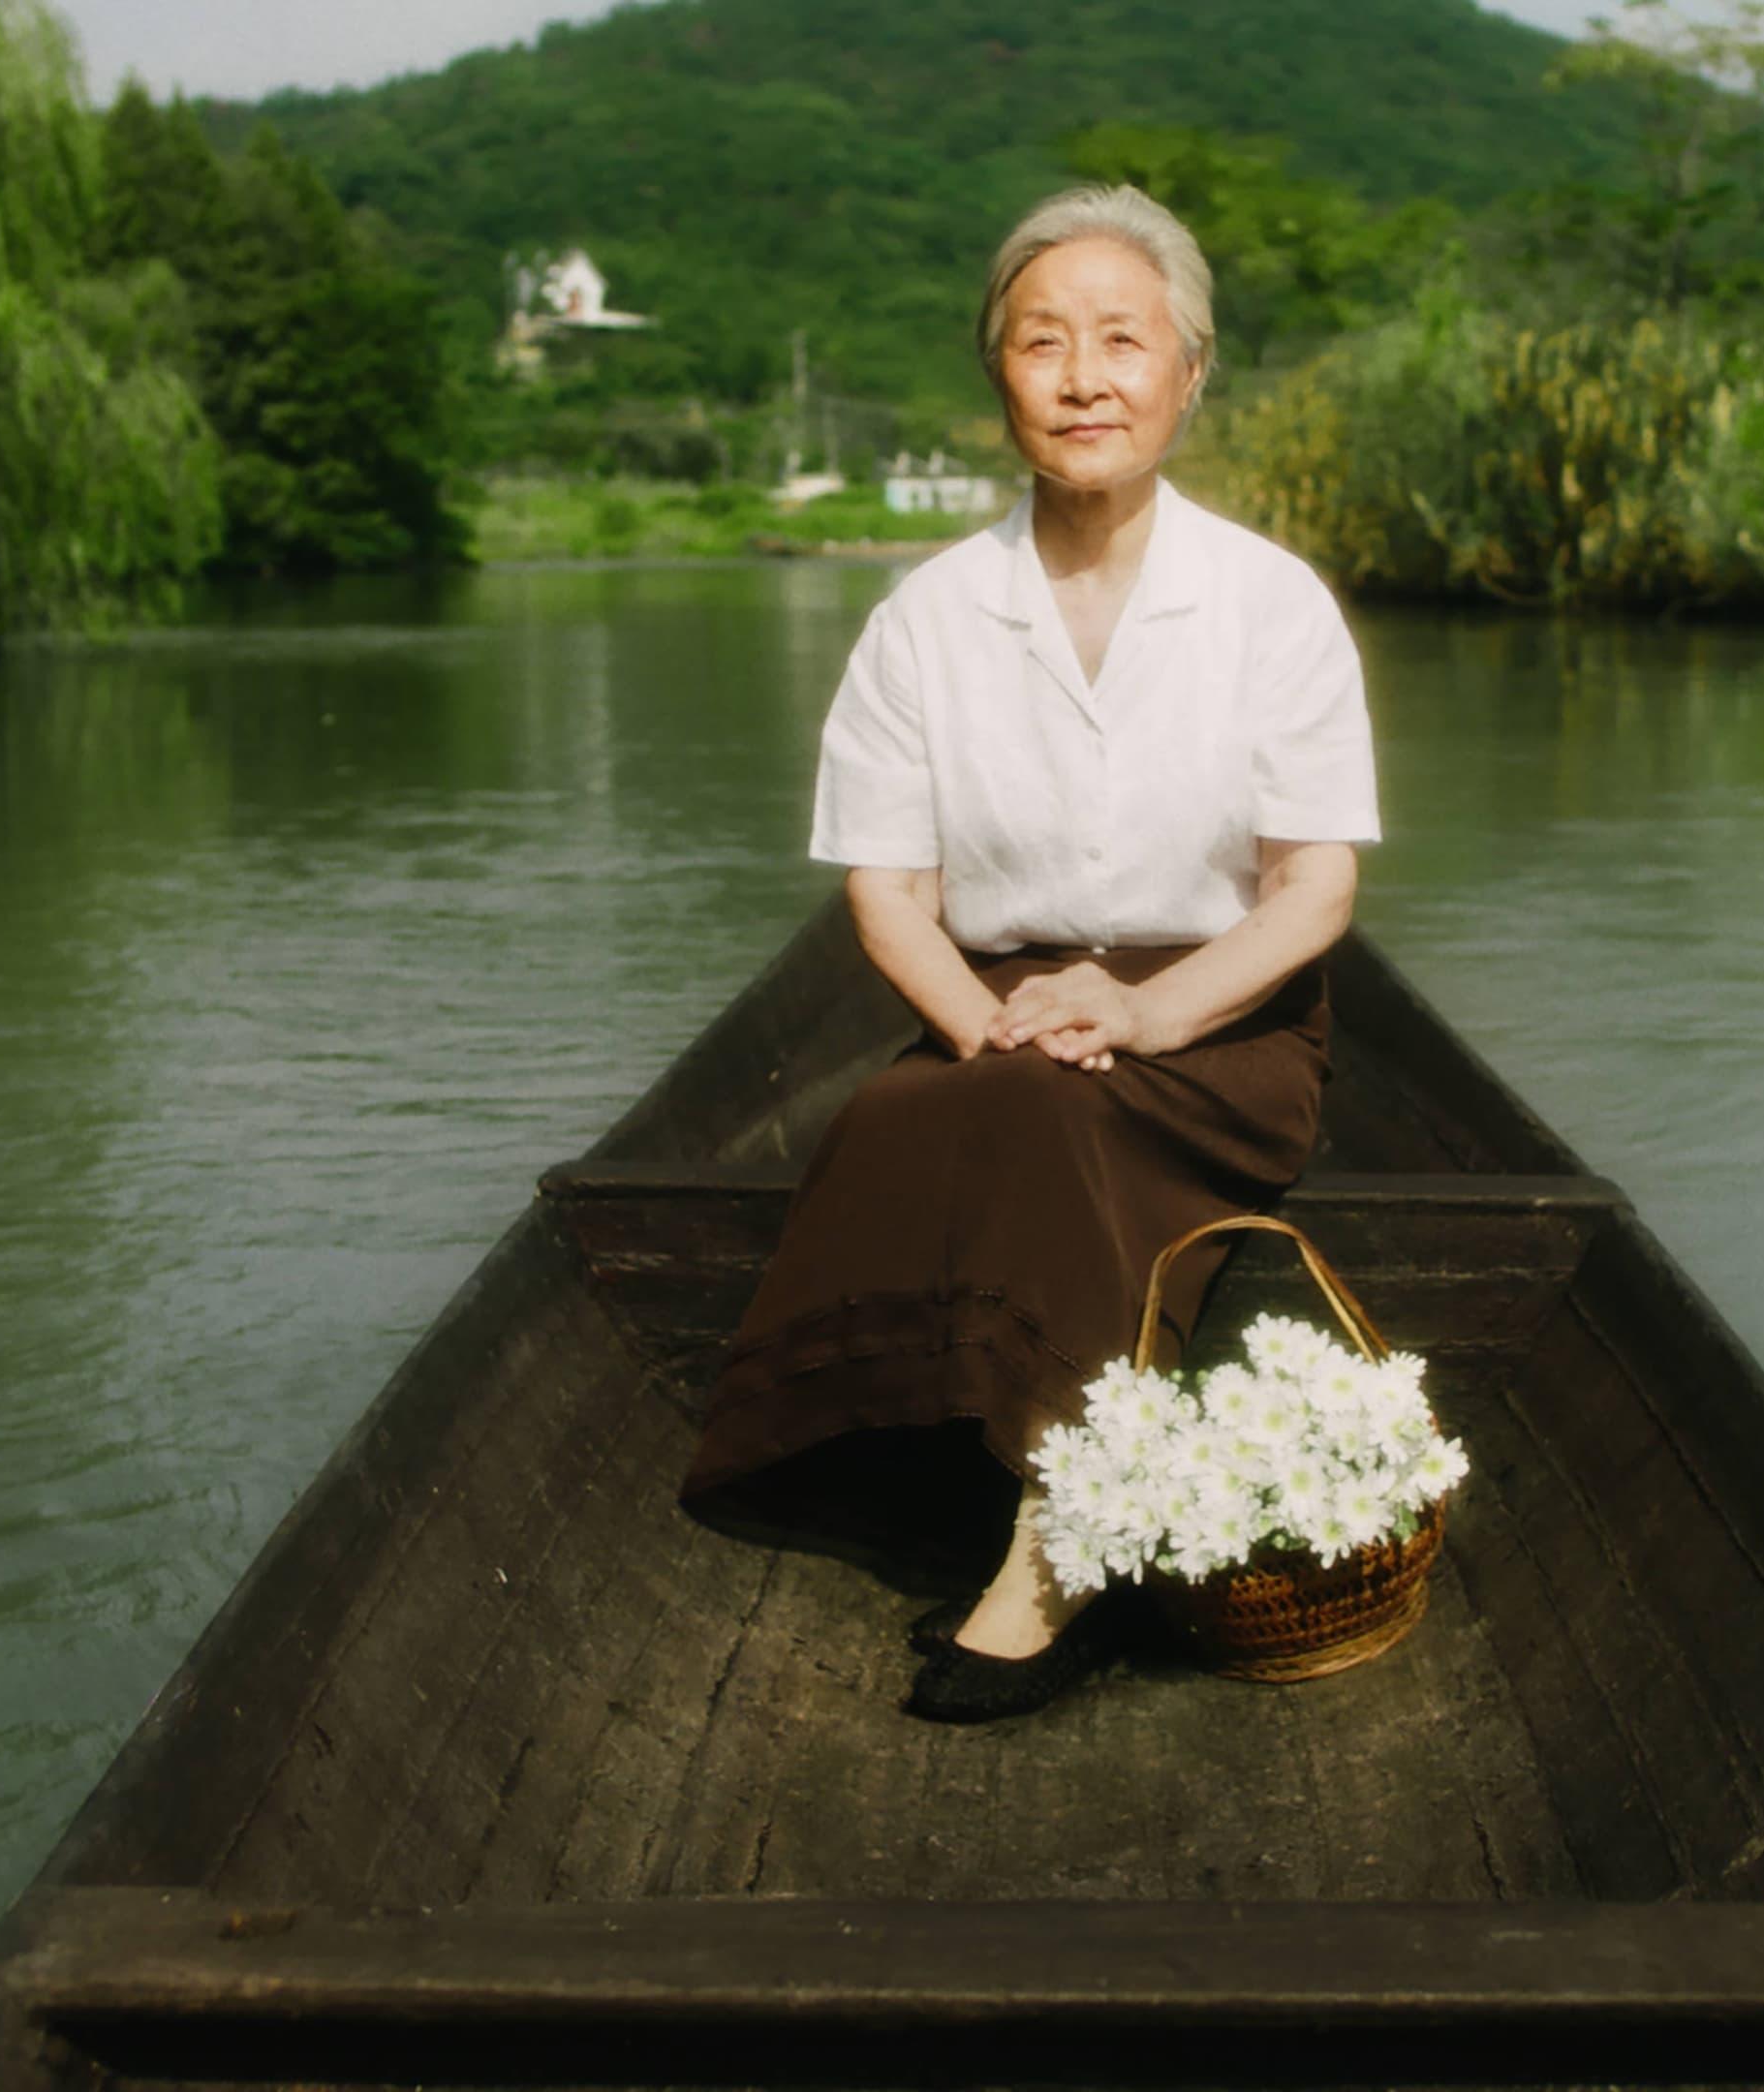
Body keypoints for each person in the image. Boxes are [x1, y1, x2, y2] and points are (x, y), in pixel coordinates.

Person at [673, 185, 1381, 1724]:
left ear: (1188, 376)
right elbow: (887, 895)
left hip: (1231, 1020)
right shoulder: (926, 621)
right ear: (997, 376)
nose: (1083, 377)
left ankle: (1061, 1541)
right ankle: (985, 1429)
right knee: (926, 1108)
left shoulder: (1272, 605)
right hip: (1002, 1017)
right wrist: (992, 1029)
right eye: (1042, 342)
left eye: (1123, 342)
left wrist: (1139, 1011)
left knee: (1059, 1109)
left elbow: (1312, 892)